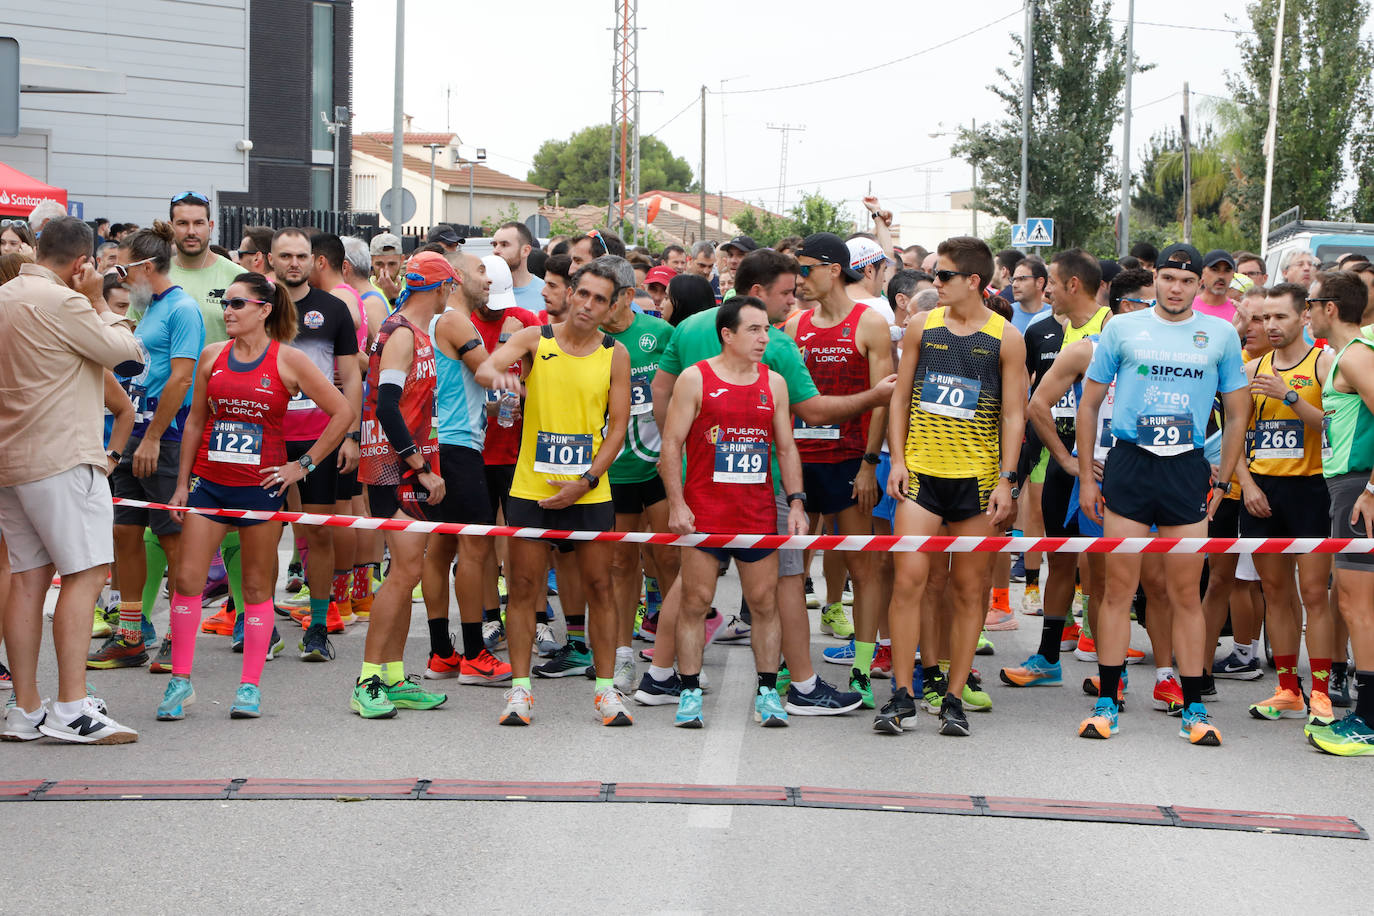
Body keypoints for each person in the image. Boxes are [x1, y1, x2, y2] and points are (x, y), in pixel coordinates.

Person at [643, 247, 884, 716]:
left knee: (690, 591)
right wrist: (874, 395)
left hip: (715, 488)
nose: (791, 304)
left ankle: (659, 677)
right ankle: (803, 685)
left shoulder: (691, 327)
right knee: (784, 586)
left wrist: (683, 456)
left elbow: (660, 390)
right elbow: (812, 411)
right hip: (750, 489)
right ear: (756, 294)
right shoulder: (774, 344)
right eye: (785, 294)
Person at [1074, 244, 1248, 746]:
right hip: (1130, 463)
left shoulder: (1219, 334)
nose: (1176, 288)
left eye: (1185, 281)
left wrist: (1223, 478)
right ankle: (1108, 700)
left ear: (1199, 287)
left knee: (1183, 592)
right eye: (1168, 278)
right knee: (1117, 589)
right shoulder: (1122, 328)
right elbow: (1088, 406)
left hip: (1187, 468)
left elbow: (1237, 412)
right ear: (1156, 279)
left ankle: (1193, 706)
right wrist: (1088, 476)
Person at [156, 272, 350, 720]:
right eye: (226, 303)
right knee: (186, 580)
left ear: (264, 309)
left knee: (258, 586)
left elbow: (342, 412)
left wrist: (302, 466)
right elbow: (195, 423)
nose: (228, 311)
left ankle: (249, 687)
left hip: (260, 491)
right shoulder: (211, 356)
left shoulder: (289, 360)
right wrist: (183, 484)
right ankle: (179, 682)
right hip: (210, 484)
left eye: (238, 303)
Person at [0, 216, 144, 744]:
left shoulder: (5, 294)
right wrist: (100, 300)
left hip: (11, 459)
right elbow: (124, 353)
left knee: (26, 579)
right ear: (83, 261)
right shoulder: (65, 300)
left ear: (39, 247)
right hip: (62, 455)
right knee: (86, 573)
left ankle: (26, 709)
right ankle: (71, 708)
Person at [874, 236, 1026, 737]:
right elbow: (899, 398)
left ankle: (954, 698)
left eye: (942, 276)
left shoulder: (1007, 337)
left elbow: (1013, 413)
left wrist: (1008, 480)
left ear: (973, 282)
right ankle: (901, 695)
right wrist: (895, 459)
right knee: (910, 584)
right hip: (920, 475)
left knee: (968, 591)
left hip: (978, 483)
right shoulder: (921, 326)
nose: (933, 283)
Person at [477, 257, 633, 727]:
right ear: (570, 293)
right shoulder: (534, 338)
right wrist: (503, 379)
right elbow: (487, 368)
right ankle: (520, 691)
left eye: (599, 299)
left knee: (600, 588)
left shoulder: (615, 354)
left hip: (588, 491)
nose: (587, 305)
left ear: (611, 307)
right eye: (582, 294)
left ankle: (606, 691)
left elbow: (617, 430)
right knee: (523, 589)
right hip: (530, 487)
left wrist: (584, 482)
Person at [660, 296, 807, 728]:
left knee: (764, 603)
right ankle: (687, 693)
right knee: (695, 601)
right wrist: (676, 503)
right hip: (705, 510)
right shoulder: (695, 378)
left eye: (767, 330)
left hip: (757, 512)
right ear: (728, 334)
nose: (765, 338)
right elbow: (670, 446)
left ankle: (766, 692)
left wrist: (796, 502)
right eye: (755, 330)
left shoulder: (773, 383)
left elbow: (785, 448)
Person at [91, 222, 206, 673]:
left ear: (144, 266)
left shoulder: (183, 309)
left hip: (166, 438)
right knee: (125, 534)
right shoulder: (152, 307)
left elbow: (181, 377)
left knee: (173, 539)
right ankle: (131, 635)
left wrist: (155, 436)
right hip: (134, 433)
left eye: (123, 269)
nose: (119, 278)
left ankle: (179, 637)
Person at [786, 232, 895, 709]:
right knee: (791, 568)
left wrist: (871, 463)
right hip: (800, 463)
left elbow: (883, 401)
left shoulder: (868, 323)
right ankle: (793, 669)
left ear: (834, 269)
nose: (799, 278)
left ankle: (862, 669)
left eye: (805, 268)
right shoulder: (795, 326)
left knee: (863, 566)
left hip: (850, 462)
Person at [351, 252, 455, 718]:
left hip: (403, 465)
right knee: (402, 573)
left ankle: (392, 675)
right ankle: (368, 680)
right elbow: (388, 406)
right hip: (393, 471)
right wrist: (419, 466)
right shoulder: (401, 334)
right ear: (439, 288)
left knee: (409, 570)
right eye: (449, 286)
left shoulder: (412, 331)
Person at [1232, 282, 1337, 731]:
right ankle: (1289, 688)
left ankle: (1321, 692)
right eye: (1263, 318)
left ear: (1303, 318)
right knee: (1275, 593)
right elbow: (1234, 437)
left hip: (1313, 489)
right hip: (1263, 493)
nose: (1270, 326)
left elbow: (1334, 426)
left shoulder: (1323, 362)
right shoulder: (1250, 367)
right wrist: (1247, 484)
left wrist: (1289, 395)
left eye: (1279, 317)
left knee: (1314, 594)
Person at [417, 253, 512, 687]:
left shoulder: (441, 322)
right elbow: (490, 374)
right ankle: (474, 654)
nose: (488, 277)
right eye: (479, 270)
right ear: (454, 279)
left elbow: (472, 387)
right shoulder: (455, 320)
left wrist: (493, 404)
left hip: (442, 442)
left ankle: (442, 653)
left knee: (441, 550)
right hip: (457, 448)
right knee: (476, 551)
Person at [267, 228, 361, 651]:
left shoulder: (333, 309)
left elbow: (350, 375)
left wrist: (352, 435)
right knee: (261, 534)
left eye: (301, 256)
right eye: (284, 255)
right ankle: (256, 624)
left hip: (319, 438)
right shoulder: (255, 306)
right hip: (266, 436)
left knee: (318, 532)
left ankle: (319, 626)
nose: (293, 263)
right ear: (270, 260)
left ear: (313, 261)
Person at [1300, 269, 1374, 755]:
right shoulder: (1342, 357)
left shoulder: (1356, 356)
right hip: (1344, 484)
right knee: (1350, 600)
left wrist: (1372, 487)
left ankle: (1367, 719)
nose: (1304, 312)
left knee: (1355, 603)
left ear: (1330, 307)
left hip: (1357, 485)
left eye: (1308, 304)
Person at [598, 256, 676, 694]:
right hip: (613, 473)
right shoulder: (587, 340)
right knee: (620, 565)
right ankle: (623, 656)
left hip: (658, 468)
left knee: (668, 560)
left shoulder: (659, 335)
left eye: (604, 297)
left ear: (627, 296)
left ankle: (675, 655)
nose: (593, 305)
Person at [166, 191, 244, 343]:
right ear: (171, 227)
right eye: (182, 223)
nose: (191, 231)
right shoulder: (154, 275)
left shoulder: (238, 277)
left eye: (198, 223)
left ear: (211, 226)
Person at [492, 221, 545, 313]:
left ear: (525, 251)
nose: (496, 251)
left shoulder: (545, 292)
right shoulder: (487, 290)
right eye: (494, 245)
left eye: (504, 245)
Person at [1008, 256, 1050, 334]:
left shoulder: (1054, 315)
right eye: (1013, 280)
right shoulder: (1006, 314)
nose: (1014, 285)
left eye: (1021, 279)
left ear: (1039, 282)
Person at [370, 233, 405, 305]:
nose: (386, 270)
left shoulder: (410, 293)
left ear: (402, 260)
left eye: (392, 264)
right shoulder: (363, 290)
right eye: (379, 264)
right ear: (371, 261)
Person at [541, 253, 573, 322]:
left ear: (571, 292)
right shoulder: (535, 323)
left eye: (552, 286)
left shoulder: (589, 330)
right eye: (545, 284)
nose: (543, 292)